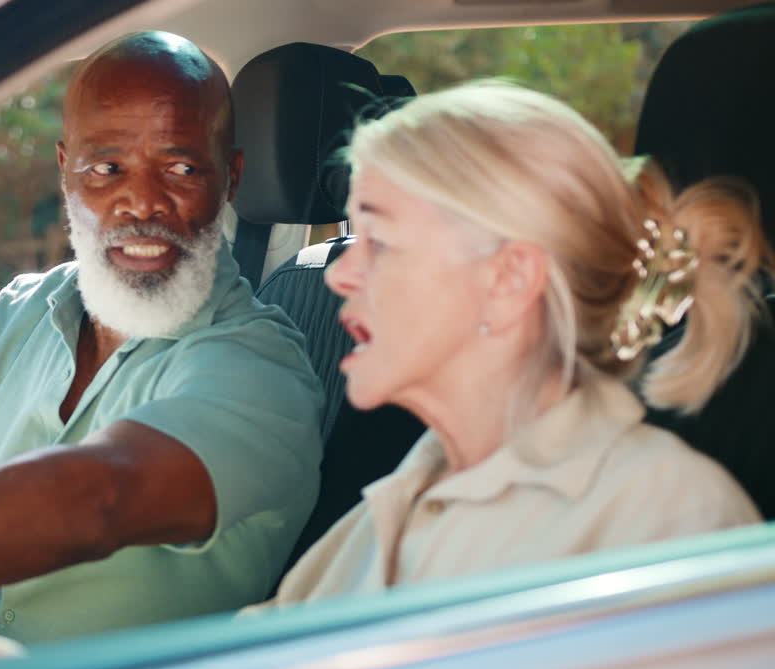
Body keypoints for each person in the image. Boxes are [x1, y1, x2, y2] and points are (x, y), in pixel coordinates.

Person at [256, 81, 768, 609]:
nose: (340, 274)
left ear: (509, 280)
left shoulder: (667, 520)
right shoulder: (412, 486)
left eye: (379, 243)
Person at [0, 32, 323, 644]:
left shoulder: (262, 369)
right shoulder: (14, 318)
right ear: (66, 170)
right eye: (106, 168)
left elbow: (92, 504)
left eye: (180, 168)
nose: (141, 201)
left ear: (230, 178)